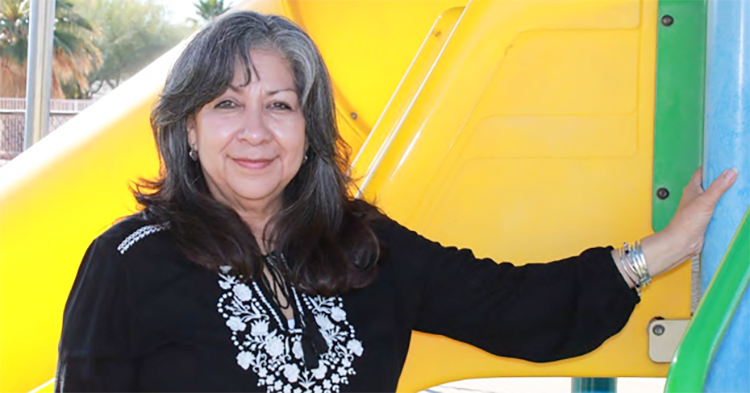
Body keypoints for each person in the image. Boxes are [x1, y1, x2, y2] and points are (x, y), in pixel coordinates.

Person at [54, 11, 738, 393]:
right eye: (228, 104)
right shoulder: (127, 264)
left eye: (281, 105)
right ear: (189, 129)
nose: (256, 131)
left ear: (309, 130)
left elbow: (513, 307)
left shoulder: (362, 246)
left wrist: (663, 251)